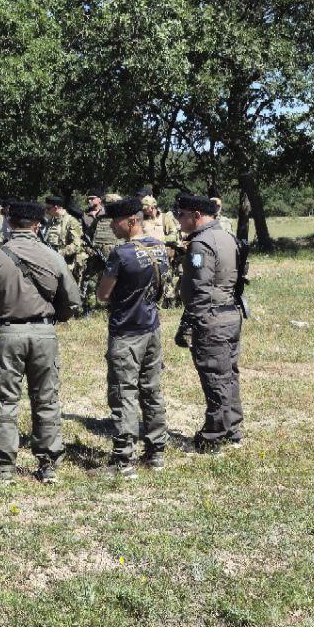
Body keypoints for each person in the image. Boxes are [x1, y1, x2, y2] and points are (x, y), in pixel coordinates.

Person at [0, 201, 80, 484]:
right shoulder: (52, 256)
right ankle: (48, 465)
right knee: (47, 399)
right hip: (44, 333)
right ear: (37, 225)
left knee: (5, 400)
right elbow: (72, 300)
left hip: (7, 332)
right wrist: (50, 318)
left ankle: (3, 468)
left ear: (9, 223)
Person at [95, 196, 170, 476]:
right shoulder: (159, 248)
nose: (112, 227)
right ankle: (156, 452)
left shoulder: (121, 254)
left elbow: (103, 295)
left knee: (123, 393)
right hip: (151, 328)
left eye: (115, 221)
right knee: (151, 390)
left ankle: (123, 460)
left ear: (132, 221)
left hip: (126, 331)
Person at [174, 192, 246, 453]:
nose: (178, 220)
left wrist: (191, 322)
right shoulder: (227, 237)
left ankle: (214, 436)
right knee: (229, 374)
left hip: (211, 318)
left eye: (181, 215)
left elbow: (199, 288)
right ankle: (233, 429)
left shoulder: (201, 245)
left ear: (196, 216)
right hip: (230, 314)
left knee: (215, 376)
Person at [141, 195, 181, 307]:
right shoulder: (141, 220)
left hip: (163, 255)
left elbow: (174, 236)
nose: (144, 209)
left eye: (146, 207)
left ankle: (169, 304)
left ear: (153, 207)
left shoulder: (164, 218)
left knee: (166, 280)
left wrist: (160, 240)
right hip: (146, 255)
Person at [41, 196, 86, 286]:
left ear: (56, 207)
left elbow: (77, 245)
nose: (46, 211)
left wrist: (60, 252)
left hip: (66, 263)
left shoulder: (71, 221)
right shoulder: (51, 221)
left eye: (48, 208)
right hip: (51, 261)